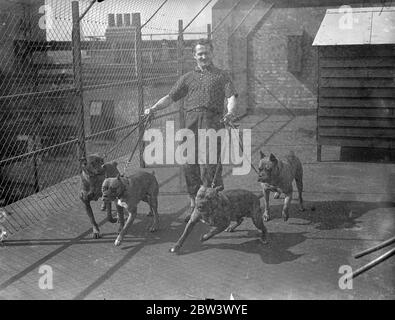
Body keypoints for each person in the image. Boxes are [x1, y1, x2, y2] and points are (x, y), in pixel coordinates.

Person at [144, 38, 238, 218]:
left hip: (213, 121)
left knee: (212, 165)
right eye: (200, 53)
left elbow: (232, 97)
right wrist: (153, 108)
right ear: (194, 56)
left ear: (212, 54)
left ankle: (215, 203)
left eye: (207, 53)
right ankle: (194, 204)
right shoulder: (186, 78)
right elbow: (170, 97)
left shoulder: (222, 75)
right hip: (191, 123)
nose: (204, 56)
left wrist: (230, 112)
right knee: (189, 165)